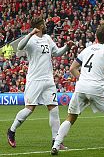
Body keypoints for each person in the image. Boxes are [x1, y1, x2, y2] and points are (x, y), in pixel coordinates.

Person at [51, 24, 104, 156]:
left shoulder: (87, 49)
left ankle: (56, 146)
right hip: (96, 88)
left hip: (81, 87)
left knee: (70, 118)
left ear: (96, 36)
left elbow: (72, 68)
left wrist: (83, 79)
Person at [7, 16, 72, 149]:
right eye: (43, 23)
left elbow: (57, 53)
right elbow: (19, 47)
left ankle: (56, 141)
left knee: (53, 109)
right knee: (29, 109)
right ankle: (12, 130)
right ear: (39, 25)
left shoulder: (47, 38)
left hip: (48, 79)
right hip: (35, 79)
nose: (45, 25)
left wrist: (67, 47)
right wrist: (30, 33)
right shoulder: (30, 40)